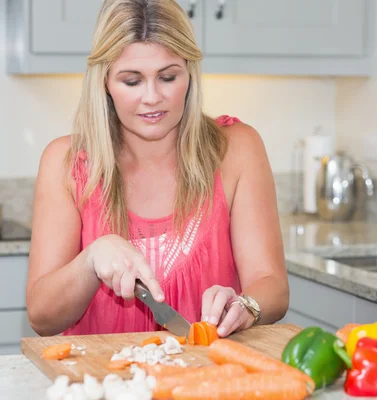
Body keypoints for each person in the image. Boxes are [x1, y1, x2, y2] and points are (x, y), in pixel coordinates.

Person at [25, 0, 289, 338]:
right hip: (102, 382)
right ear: (104, 82)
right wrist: (91, 259)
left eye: (167, 77)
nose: (152, 97)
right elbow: (42, 317)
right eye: (132, 81)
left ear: (189, 74)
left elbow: (273, 287)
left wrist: (247, 305)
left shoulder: (237, 149)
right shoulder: (65, 163)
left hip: (206, 377)